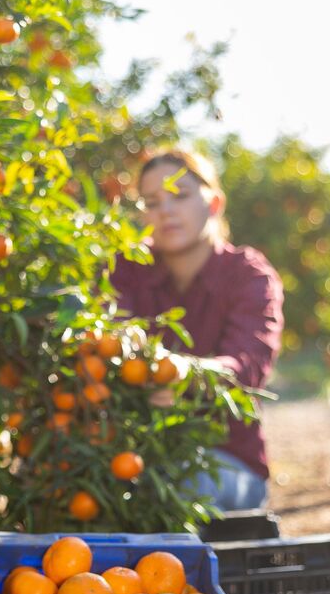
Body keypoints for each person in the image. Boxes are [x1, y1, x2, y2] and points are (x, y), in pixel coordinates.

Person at [110, 149, 284, 511]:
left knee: (178, 488)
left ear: (214, 202)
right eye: (152, 202)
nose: (166, 211)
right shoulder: (127, 267)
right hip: (134, 455)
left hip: (225, 462)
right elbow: (105, 336)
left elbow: (247, 365)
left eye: (181, 195)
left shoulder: (248, 276)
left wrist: (185, 376)